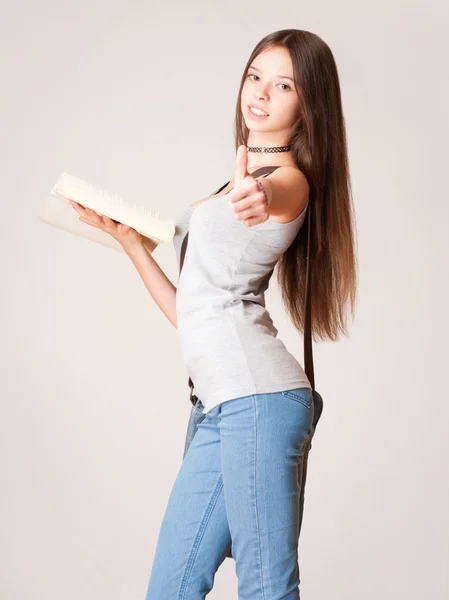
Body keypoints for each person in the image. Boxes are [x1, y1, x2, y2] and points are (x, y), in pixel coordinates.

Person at [71, 28, 357, 600]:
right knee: (170, 589)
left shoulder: (286, 181)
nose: (260, 94)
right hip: (217, 406)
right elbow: (196, 314)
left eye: (283, 85)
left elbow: (274, 197)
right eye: (255, 77)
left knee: (265, 589)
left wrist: (257, 195)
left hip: (260, 400)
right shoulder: (236, 179)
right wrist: (132, 245)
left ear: (308, 104)